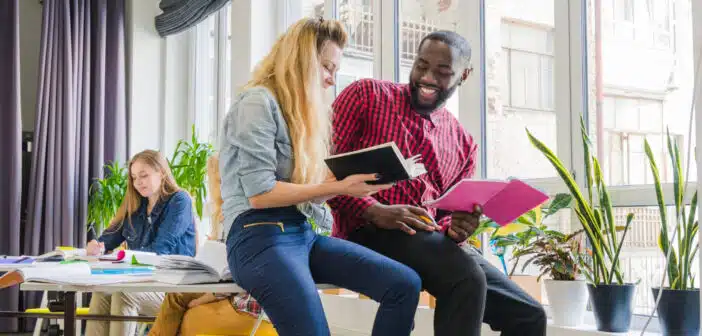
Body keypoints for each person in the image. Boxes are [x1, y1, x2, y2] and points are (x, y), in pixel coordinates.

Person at [328, 30, 547, 336]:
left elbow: (444, 219)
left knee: (530, 315)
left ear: (464, 75)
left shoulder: (463, 143)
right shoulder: (366, 95)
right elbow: (323, 171)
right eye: (421, 65)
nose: (428, 77)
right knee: (466, 277)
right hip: (366, 230)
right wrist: (374, 209)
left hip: (428, 241)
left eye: (443, 72)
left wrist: (458, 228)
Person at [219, 17, 422, 336]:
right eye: (327, 67)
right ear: (299, 60)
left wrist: (352, 188)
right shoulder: (257, 102)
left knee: (404, 284)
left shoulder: (300, 115)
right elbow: (261, 194)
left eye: (335, 71)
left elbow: (302, 194)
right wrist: (338, 186)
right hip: (257, 235)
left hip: (300, 234)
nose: (331, 80)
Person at [148, 154, 277, 336]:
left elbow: (248, 274)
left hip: (240, 295)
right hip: (227, 285)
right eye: (217, 181)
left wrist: (211, 296)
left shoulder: (250, 214)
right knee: (176, 295)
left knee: (181, 306)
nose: (221, 186)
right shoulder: (228, 212)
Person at [84, 149, 197, 336]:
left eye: (144, 175)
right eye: (134, 177)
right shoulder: (136, 204)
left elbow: (161, 250)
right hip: (141, 282)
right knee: (101, 293)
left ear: (161, 172)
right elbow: (109, 239)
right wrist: (97, 246)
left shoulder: (179, 201)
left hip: (172, 290)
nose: (138, 182)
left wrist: (124, 260)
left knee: (124, 294)